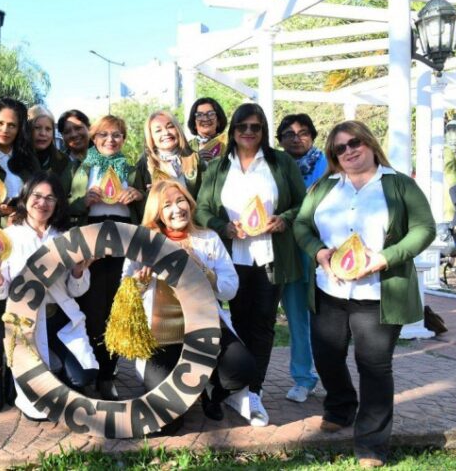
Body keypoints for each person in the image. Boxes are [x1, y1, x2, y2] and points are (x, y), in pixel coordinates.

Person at [294, 121, 435, 468]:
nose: (348, 151)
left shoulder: (398, 184)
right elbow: (302, 225)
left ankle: (372, 443)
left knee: (374, 365)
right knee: (327, 356)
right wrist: (319, 252)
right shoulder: (325, 186)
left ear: (370, 142)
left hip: (378, 293)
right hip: (329, 289)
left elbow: (424, 229)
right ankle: (341, 407)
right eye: (339, 148)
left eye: (354, 142)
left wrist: (385, 258)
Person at [196, 103, 305, 427]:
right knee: (234, 324)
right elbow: (201, 208)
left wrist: (283, 219)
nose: (248, 132)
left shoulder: (280, 162)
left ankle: (253, 391)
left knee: (263, 325)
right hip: (232, 258)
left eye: (255, 127)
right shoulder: (218, 166)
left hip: (270, 256)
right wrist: (223, 226)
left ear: (263, 130)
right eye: (242, 126)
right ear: (233, 130)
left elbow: (303, 203)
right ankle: (229, 387)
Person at [123, 179, 256, 433]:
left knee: (241, 369)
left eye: (180, 200)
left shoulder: (208, 238)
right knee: (168, 424)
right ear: (157, 213)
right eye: (167, 205)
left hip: (205, 325)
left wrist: (204, 270)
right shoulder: (143, 243)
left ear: (189, 203)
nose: (177, 209)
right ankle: (181, 392)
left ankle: (211, 391)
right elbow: (124, 289)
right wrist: (139, 284)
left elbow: (230, 288)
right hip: (162, 332)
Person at [0, 173, 97, 420]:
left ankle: (56, 368)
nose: (42, 203)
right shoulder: (9, 237)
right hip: (26, 323)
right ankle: (21, 377)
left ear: (57, 204)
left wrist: (79, 271)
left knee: (83, 376)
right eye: (37, 196)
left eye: (50, 198)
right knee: (38, 412)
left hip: (59, 318)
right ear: (25, 198)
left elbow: (77, 290)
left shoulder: (66, 237)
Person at [68, 114, 145, 400]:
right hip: (91, 243)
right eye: (103, 135)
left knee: (115, 309)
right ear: (94, 139)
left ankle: (107, 374)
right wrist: (83, 202)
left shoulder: (132, 169)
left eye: (116, 135)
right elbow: (63, 204)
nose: (110, 140)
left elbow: (151, 206)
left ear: (124, 139)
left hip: (124, 243)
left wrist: (138, 195)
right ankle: (89, 369)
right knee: (91, 309)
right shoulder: (82, 168)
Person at [0, 97, 41, 411]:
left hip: (23, 242)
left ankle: (18, 372)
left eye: (12, 125)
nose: (5, 129)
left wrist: (17, 210)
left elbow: (38, 197)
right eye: (0, 123)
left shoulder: (27, 159)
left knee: (22, 309)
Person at [275, 113, 327, 403]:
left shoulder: (330, 164)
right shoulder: (274, 166)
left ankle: (332, 376)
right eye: (289, 134)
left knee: (331, 320)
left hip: (324, 250)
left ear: (313, 136)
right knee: (297, 317)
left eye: (303, 132)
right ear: (280, 140)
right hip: (289, 252)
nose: (296, 138)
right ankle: (303, 378)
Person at [135, 110, 202, 202]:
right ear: (151, 136)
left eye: (170, 127)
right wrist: (149, 196)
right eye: (158, 130)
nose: (166, 133)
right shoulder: (143, 165)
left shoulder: (195, 159)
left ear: (178, 130)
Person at [28, 105, 72, 192]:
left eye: (48, 129)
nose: (43, 133)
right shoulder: (15, 158)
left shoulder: (64, 161)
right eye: (37, 128)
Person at [187, 97, 228, 163]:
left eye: (211, 114)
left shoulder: (229, 144)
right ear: (194, 123)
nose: (205, 119)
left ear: (218, 121)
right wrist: (196, 160)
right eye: (199, 115)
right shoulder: (186, 148)